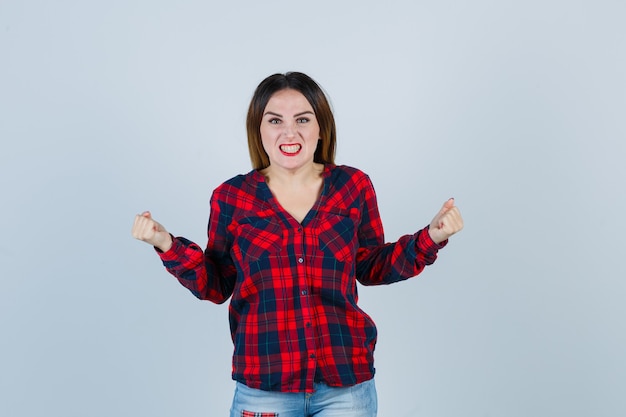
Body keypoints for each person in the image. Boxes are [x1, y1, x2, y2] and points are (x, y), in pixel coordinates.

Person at [131, 72, 463, 417]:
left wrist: (432, 237)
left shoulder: (353, 186)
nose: (290, 133)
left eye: (302, 119)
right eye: (275, 120)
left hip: (345, 385)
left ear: (321, 127)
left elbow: (372, 265)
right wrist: (165, 243)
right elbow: (216, 285)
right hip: (264, 388)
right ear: (258, 131)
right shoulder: (231, 198)